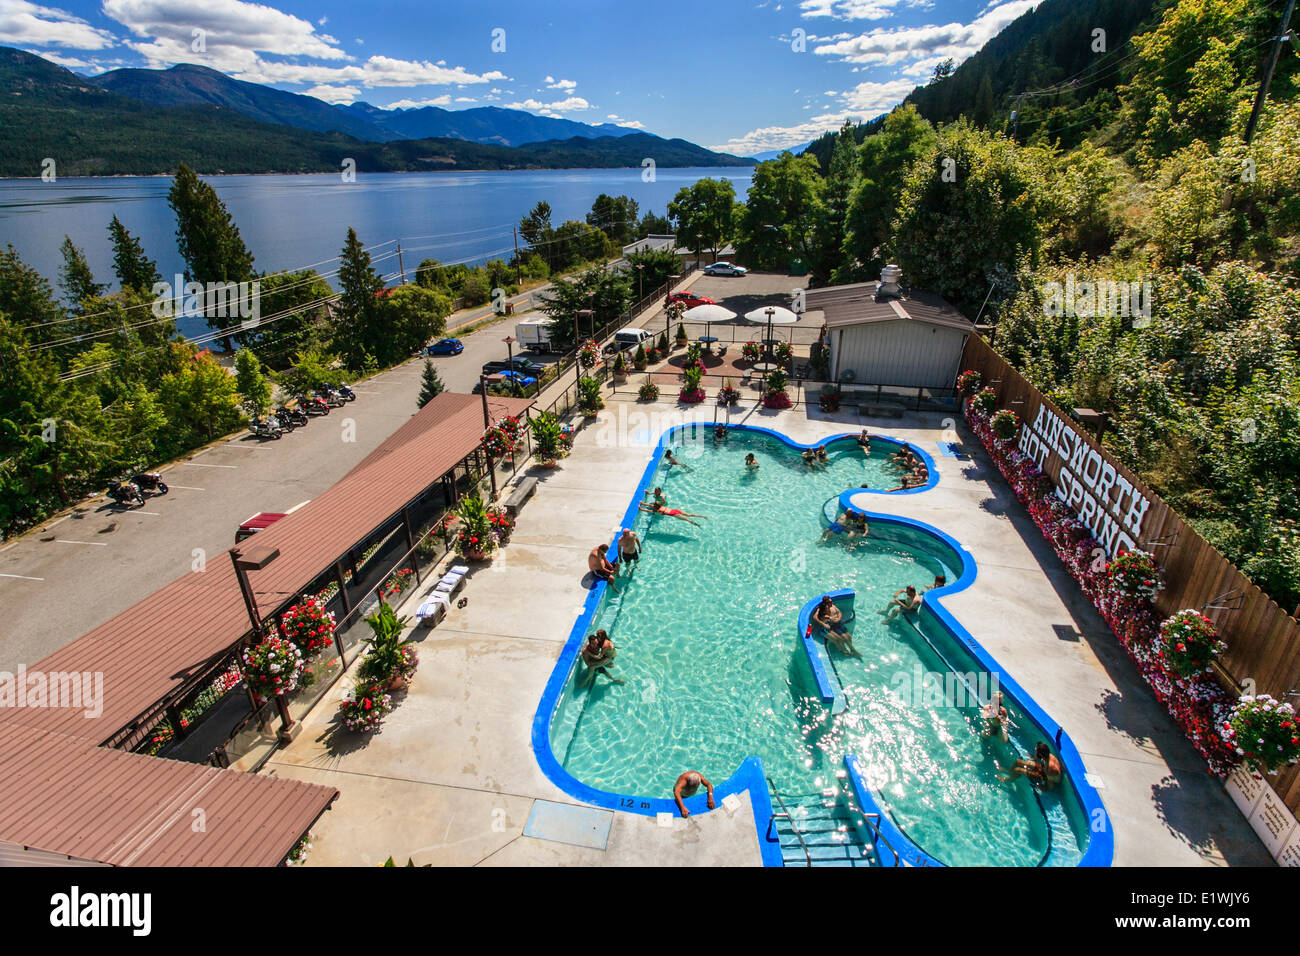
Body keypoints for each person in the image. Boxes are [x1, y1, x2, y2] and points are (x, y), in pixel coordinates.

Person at [997, 742, 1062, 790]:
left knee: (1018, 770)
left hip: (1046, 777)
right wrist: (1033, 758)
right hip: (1043, 770)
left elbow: (1050, 786)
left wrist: (1041, 788)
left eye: (1036, 752)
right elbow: (1038, 759)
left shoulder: (1050, 769)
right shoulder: (1048, 755)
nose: (1035, 753)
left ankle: (1007, 780)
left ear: (1040, 755)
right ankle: (1009, 771)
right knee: (1018, 761)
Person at [639, 501, 706, 526]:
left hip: (675, 514)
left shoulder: (658, 510)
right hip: (676, 510)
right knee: (689, 515)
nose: (653, 504)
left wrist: (642, 509)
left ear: (656, 506)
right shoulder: (661, 506)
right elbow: (651, 505)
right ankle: (702, 516)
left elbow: (649, 511)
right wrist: (643, 504)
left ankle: (697, 525)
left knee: (687, 520)